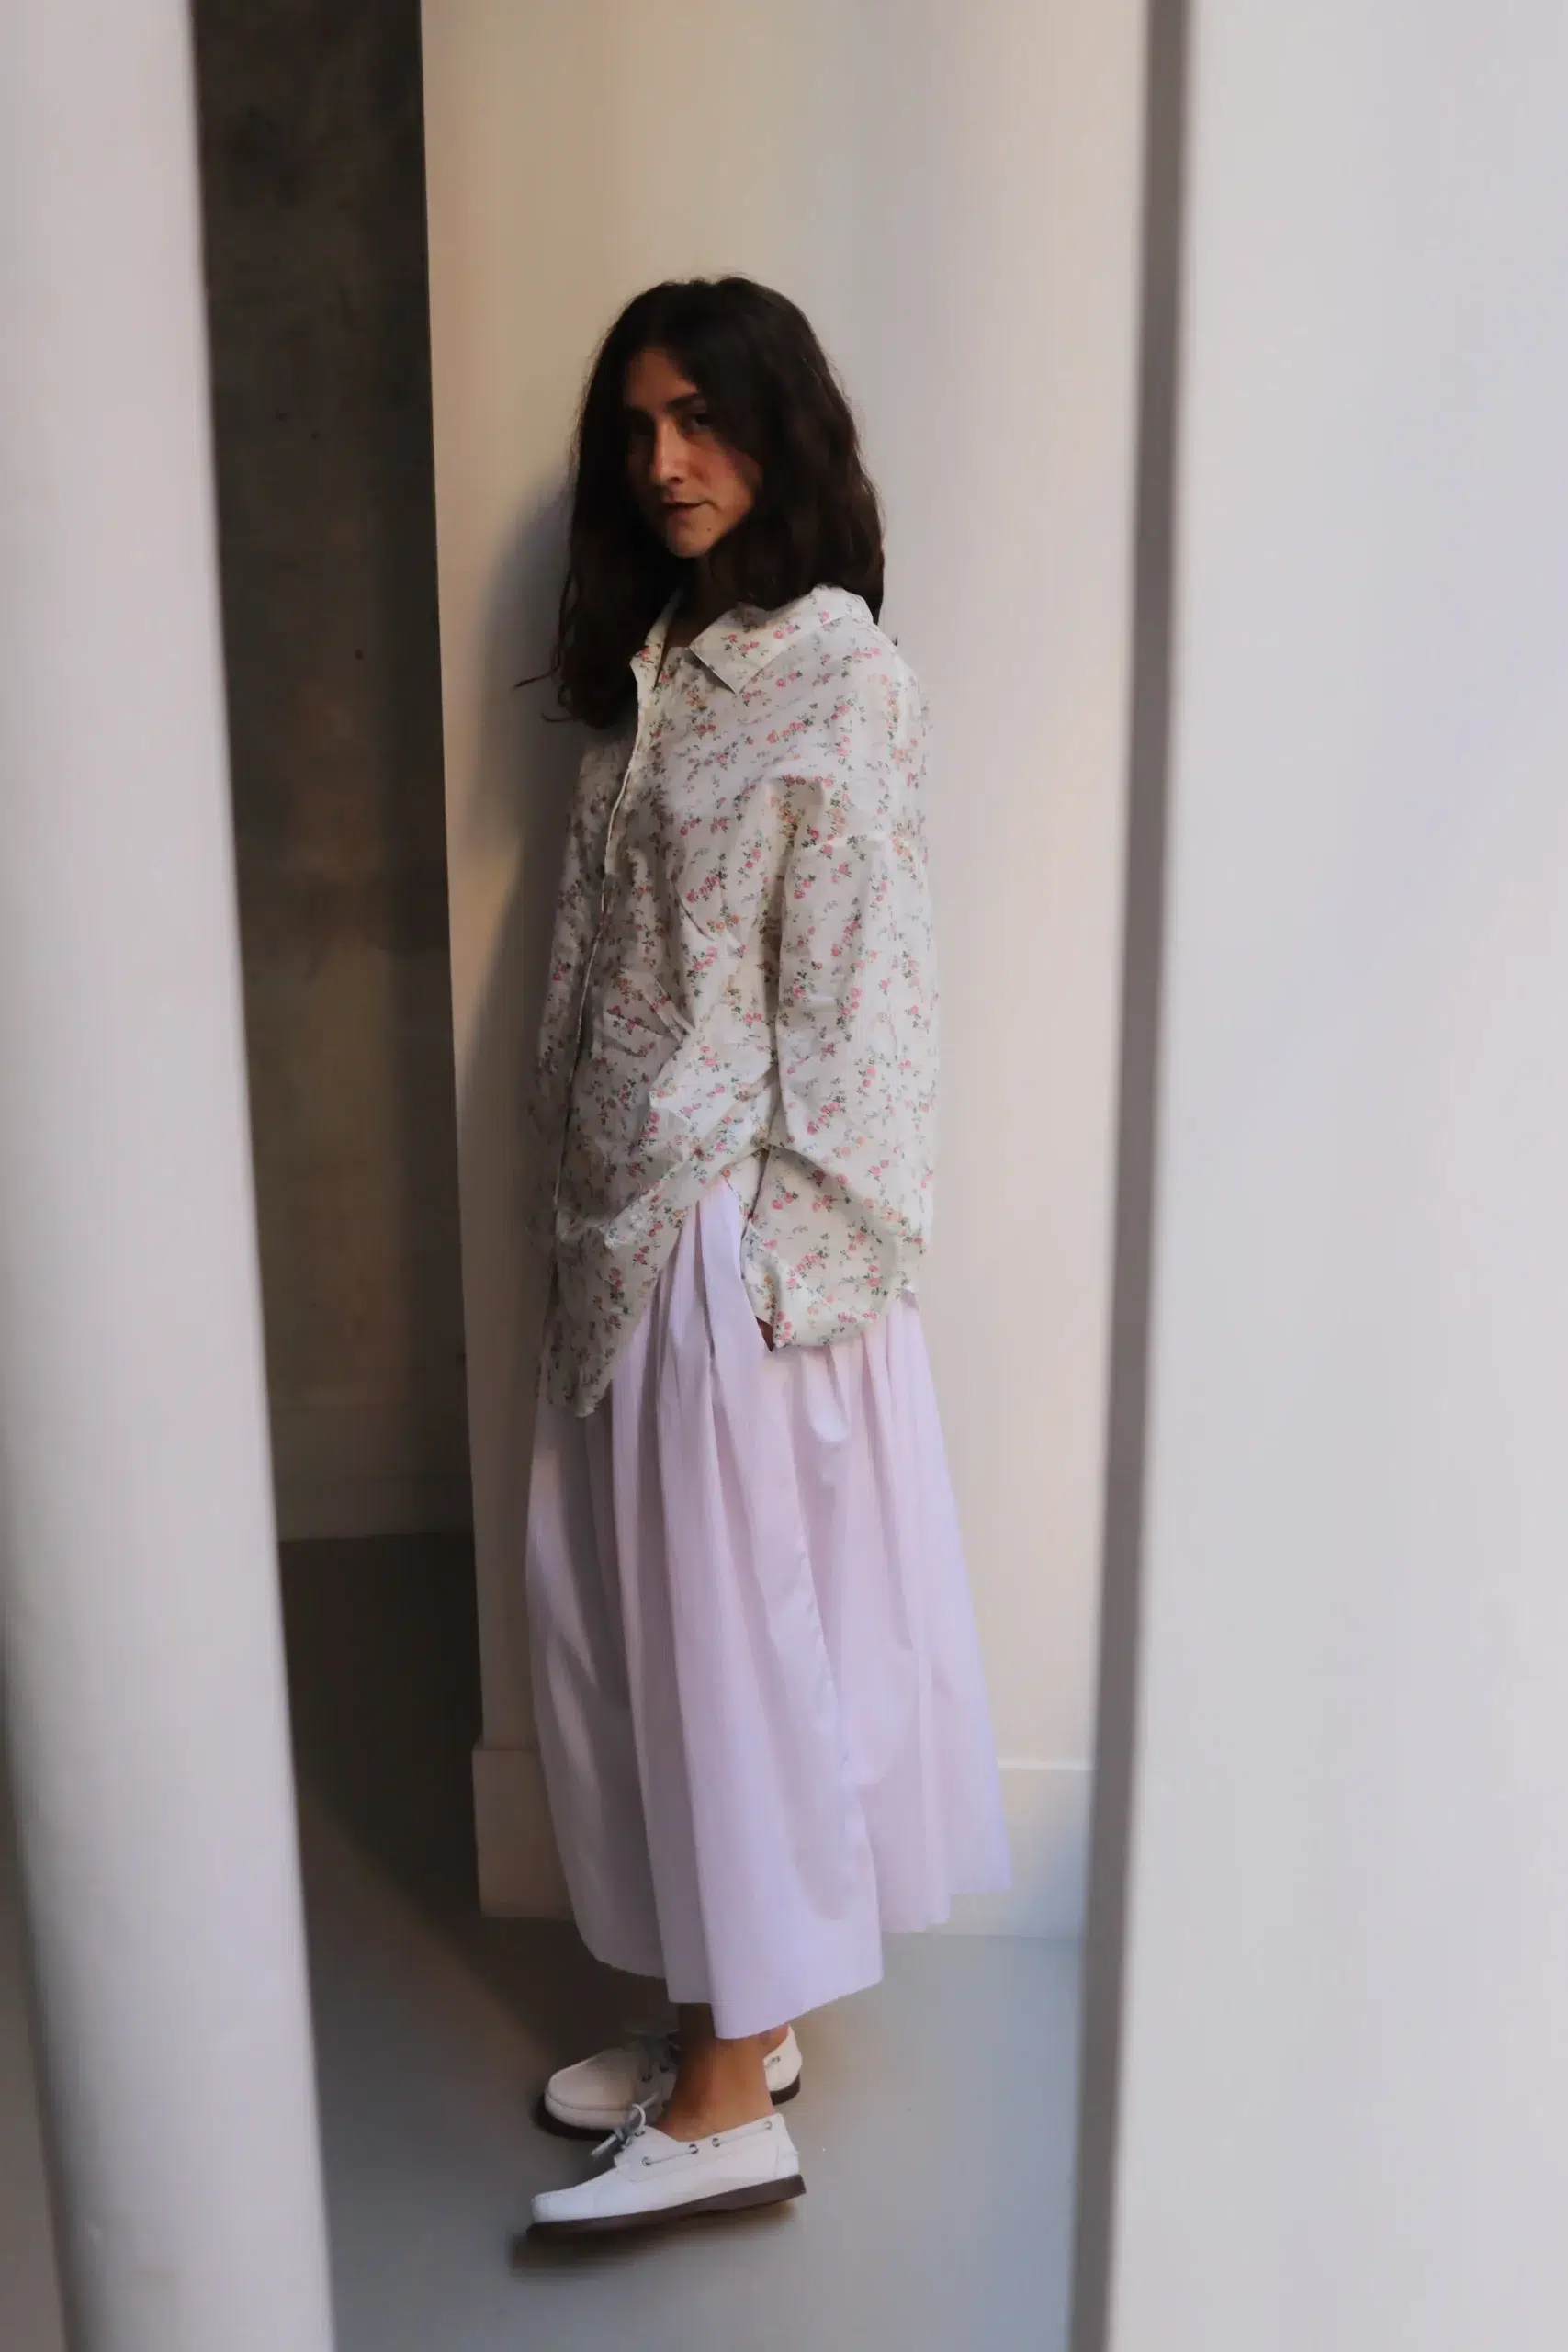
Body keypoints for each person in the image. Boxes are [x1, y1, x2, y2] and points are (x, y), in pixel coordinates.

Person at [521, 276, 1010, 2240]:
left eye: (702, 418)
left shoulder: (834, 671)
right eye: (639, 426)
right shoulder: (657, 668)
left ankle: (728, 2107)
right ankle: (735, 2020)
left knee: (732, 1655)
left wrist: (790, 1278)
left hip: (736, 1243)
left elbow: (869, 991)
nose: (666, 460)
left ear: (776, 428)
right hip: (617, 1232)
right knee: (645, 1649)